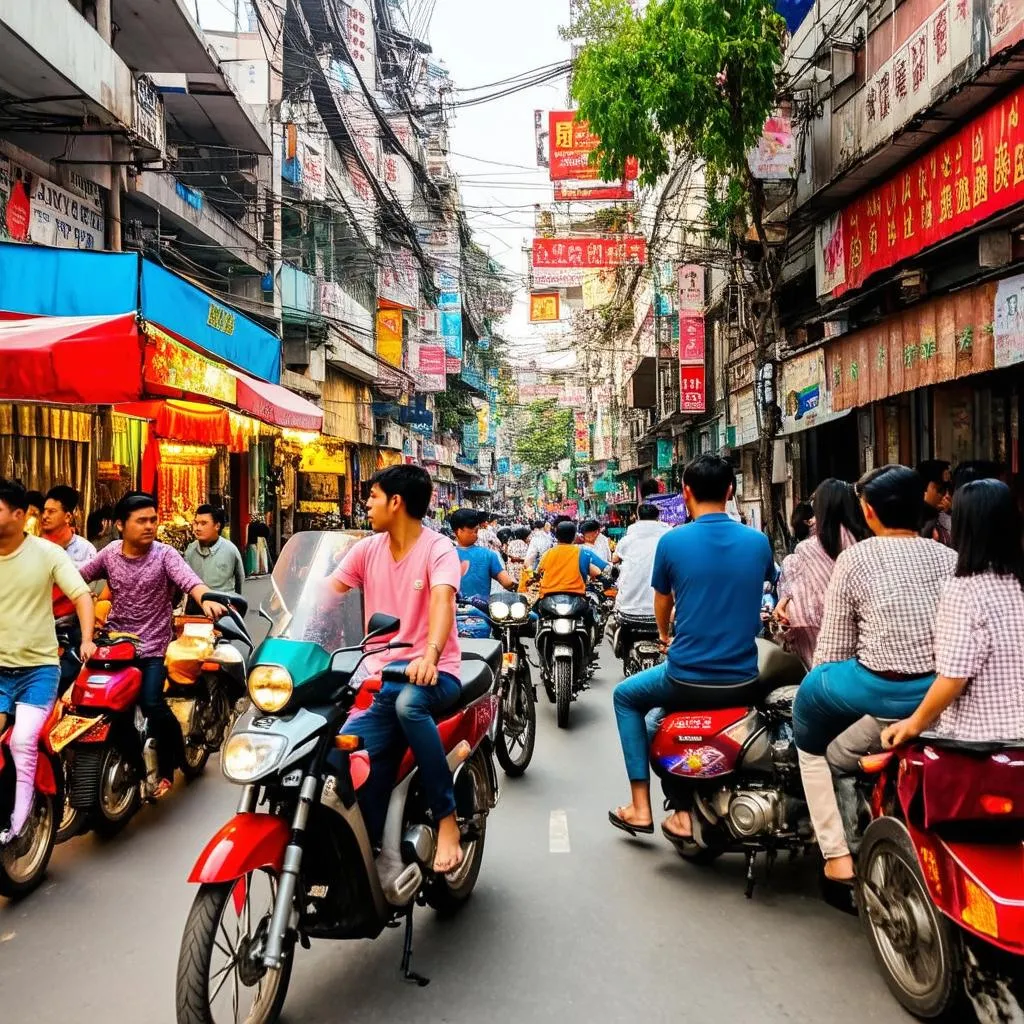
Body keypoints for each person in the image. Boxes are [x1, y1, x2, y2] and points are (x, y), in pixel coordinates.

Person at [793, 465, 956, 904]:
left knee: (811, 741)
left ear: (869, 511)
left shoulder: (855, 558)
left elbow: (833, 650)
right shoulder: (949, 557)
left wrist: (823, 681)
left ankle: (836, 855)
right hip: (940, 692)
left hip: (877, 686)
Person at [608, 455, 775, 841]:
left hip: (686, 677)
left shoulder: (673, 542)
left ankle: (639, 806)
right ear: (730, 491)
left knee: (625, 698)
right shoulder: (758, 541)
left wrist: (665, 637)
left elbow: (662, 601)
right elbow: (767, 585)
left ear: (686, 493)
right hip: (745, 676)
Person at [325, 465, 465, 873]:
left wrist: (431, 654)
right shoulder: (367, 549)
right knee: (338, 748)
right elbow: (326, 595)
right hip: (377, 677)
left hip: (435, 674)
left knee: (409, 706)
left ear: (396, 502)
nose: (366, 503)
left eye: (372, 495)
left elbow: (442, 601)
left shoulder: (439, 549)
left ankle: (446, 819)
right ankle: (366, 844)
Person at [79, 492, 229, 798]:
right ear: (120, 525)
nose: (150, 526)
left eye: (153, 520)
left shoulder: (165, 555)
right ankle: (133, 763)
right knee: (105, 707)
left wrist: (207, 599)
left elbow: (190, 582)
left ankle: (168, 764)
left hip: (153, 647)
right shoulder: (109, 554)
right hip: (116, 645)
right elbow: (77, 579)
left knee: (151, 703)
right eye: (141, 521)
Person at [882, 479, 1024, 747]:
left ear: (964, 527)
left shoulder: (964, 590)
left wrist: (914, 723)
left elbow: (953, 678)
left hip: (980, 744)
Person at [0, 479, 96, 845]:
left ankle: (25, 819)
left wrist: (87, 639)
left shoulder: (51, 554)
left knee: (23, 741)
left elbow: (82, 596)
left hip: (40, 667)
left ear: (21, 515)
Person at [774, 480, 868, 667]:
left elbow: (800, 615)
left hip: (824, 652)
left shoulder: (806, 551)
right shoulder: (868, 541)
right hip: (869, 650)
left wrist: (785, 602)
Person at [450, 508, 516, 602]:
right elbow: (507, 582)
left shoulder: (445, 555)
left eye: (477, 531)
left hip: (451, 611)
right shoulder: (488, 555)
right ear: (459, 531)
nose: (476, 535)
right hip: (481, 610)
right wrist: (516, 582)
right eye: (474, 532)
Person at [537, 520, 608, 598]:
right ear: (574, 536)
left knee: (533, 609)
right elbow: (597, 571)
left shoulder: (547, 553)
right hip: (576, 597)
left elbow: (538, 572)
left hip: (548, 597)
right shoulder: (582, 553)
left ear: (556, 536)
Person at [184, 504, 245, 595]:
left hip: (224, 603)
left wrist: (236, 600)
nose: (198, 528)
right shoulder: (190, 551)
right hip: (197, 604)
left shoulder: (230, 550)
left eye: (203, 523)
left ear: (217, 526)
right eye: (196, 523)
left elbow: (239, 579)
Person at [41, 486, 96, 567]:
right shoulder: (35, 546)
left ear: (67, 517)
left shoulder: (86, 550)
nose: (45, 516)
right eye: (44, 511)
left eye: (51, 512)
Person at [917, 459, 952, 544]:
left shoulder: (944, 515)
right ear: (924, 489)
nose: (946, 495)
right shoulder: (916, 520)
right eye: (940, 490)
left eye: (949, 490)